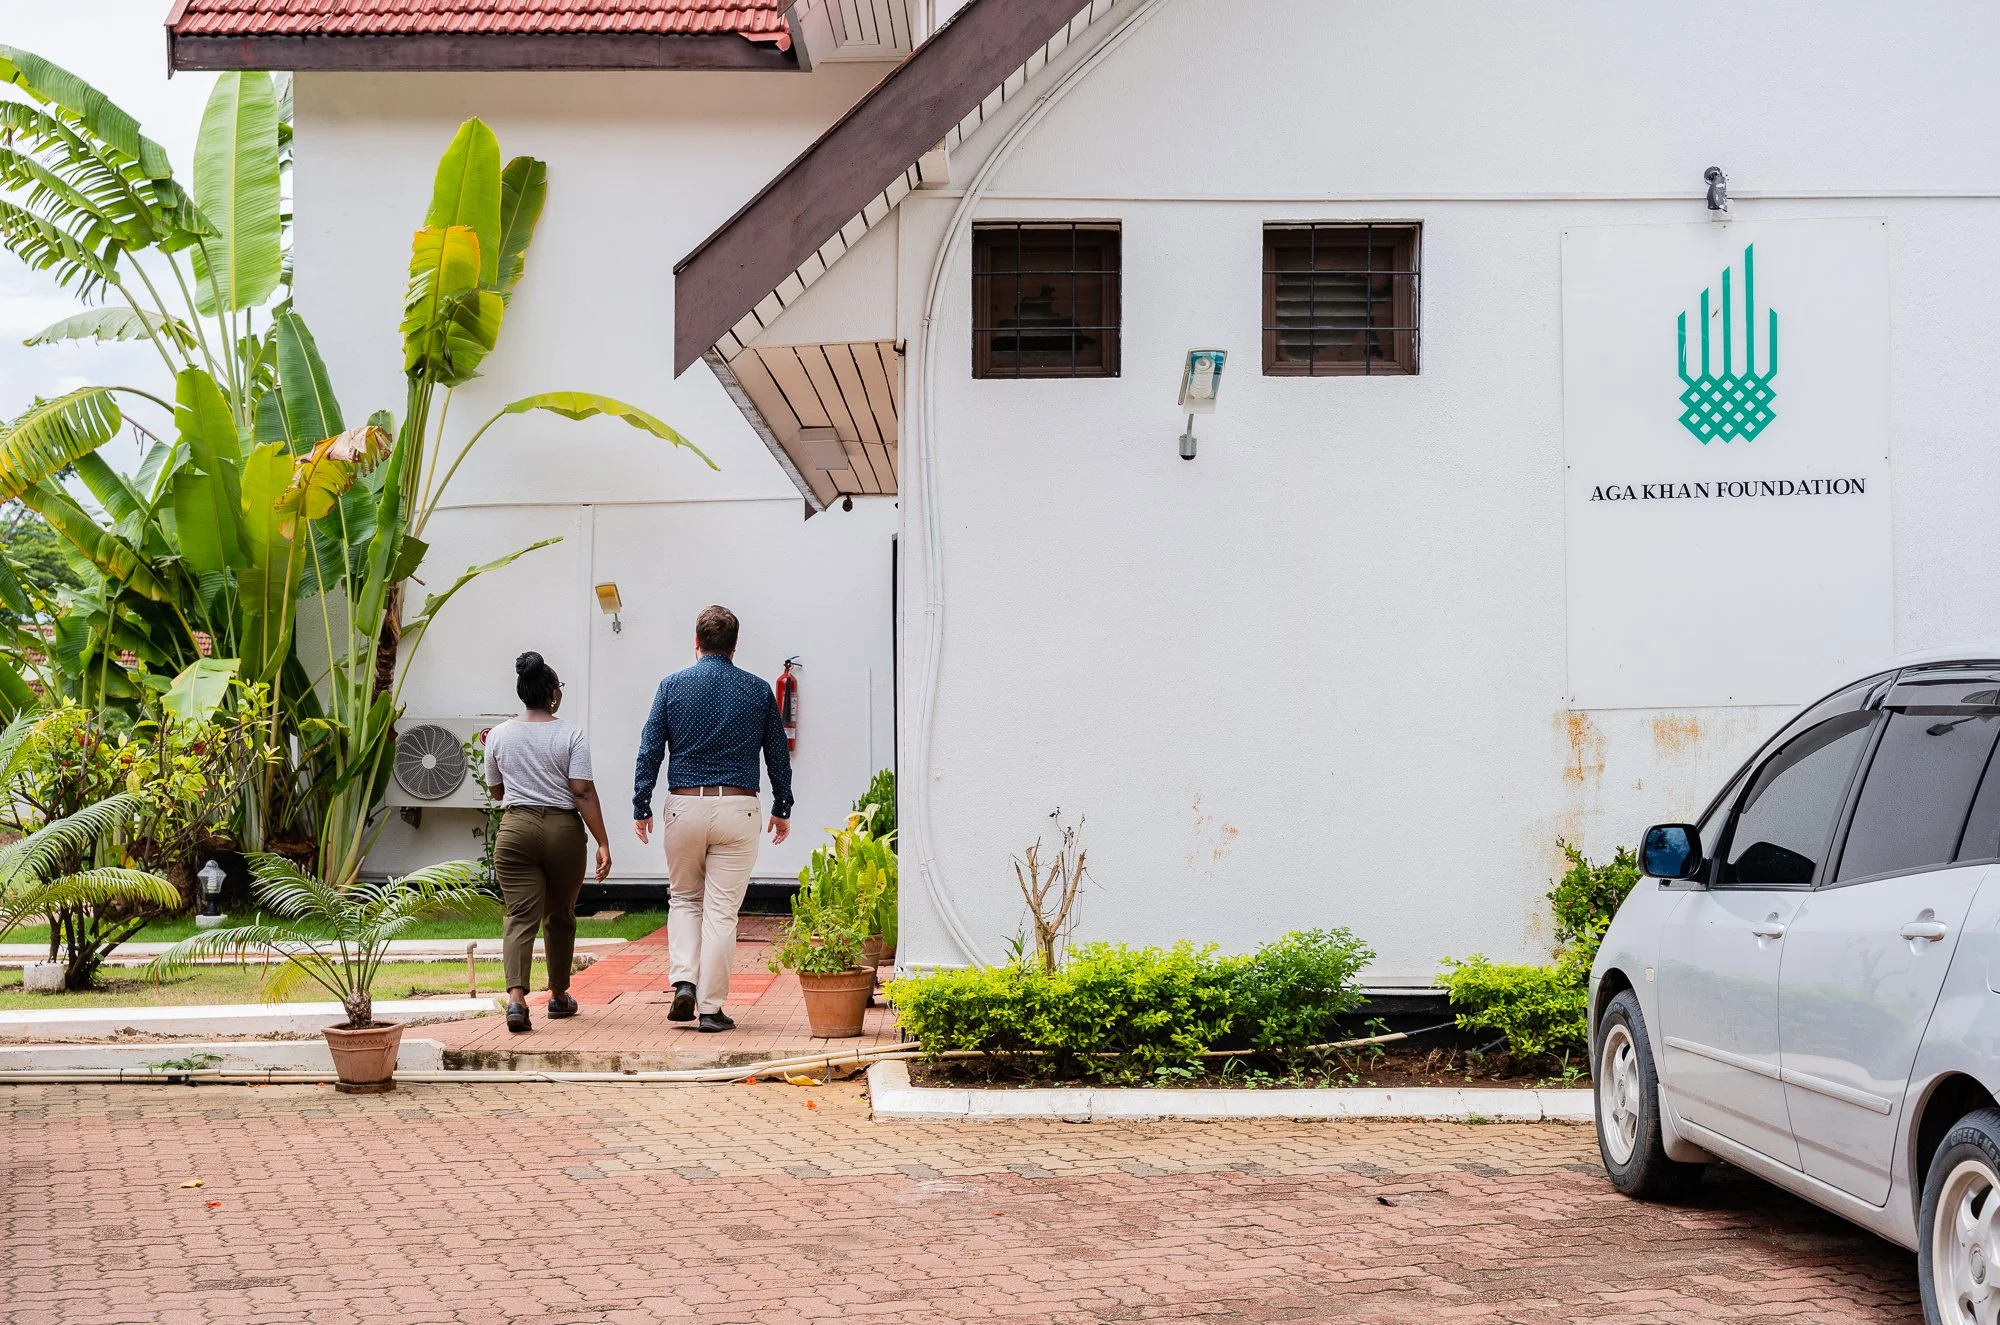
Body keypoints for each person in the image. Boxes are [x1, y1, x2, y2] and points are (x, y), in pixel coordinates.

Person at [633, 605, 793, 1033]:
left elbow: (650, 749)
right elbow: (777, 754)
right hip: (738, 808)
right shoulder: (758, 691)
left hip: (684, 805)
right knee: (722, 912)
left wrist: (641, 804)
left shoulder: (672, 686)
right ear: (735, 645)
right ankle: (710, 1009)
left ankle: (683, 980)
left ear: (696, 641)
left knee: (684, 898)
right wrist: (782, 807)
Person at [484, 652, 612, 1033]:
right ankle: (557, 995)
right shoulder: (570, 734)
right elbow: (582, 791)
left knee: (520, 916)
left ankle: (516, 1001)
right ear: (553, 694)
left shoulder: (499, 734)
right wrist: (602, 842)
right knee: (559, 915)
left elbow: (496, 790)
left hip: (516, 829)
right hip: (562, 831)